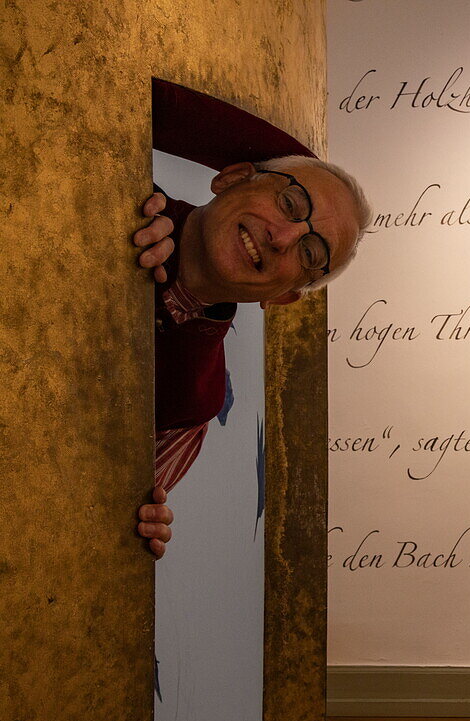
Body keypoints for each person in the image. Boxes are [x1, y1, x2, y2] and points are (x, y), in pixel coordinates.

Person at [132, 156, 371, 559]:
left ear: (282, 296)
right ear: (232, 179)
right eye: (291, 204)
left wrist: (130, 529)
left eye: (310, 253)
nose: (283, 237)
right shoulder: (109, 180)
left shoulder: (194, 408)